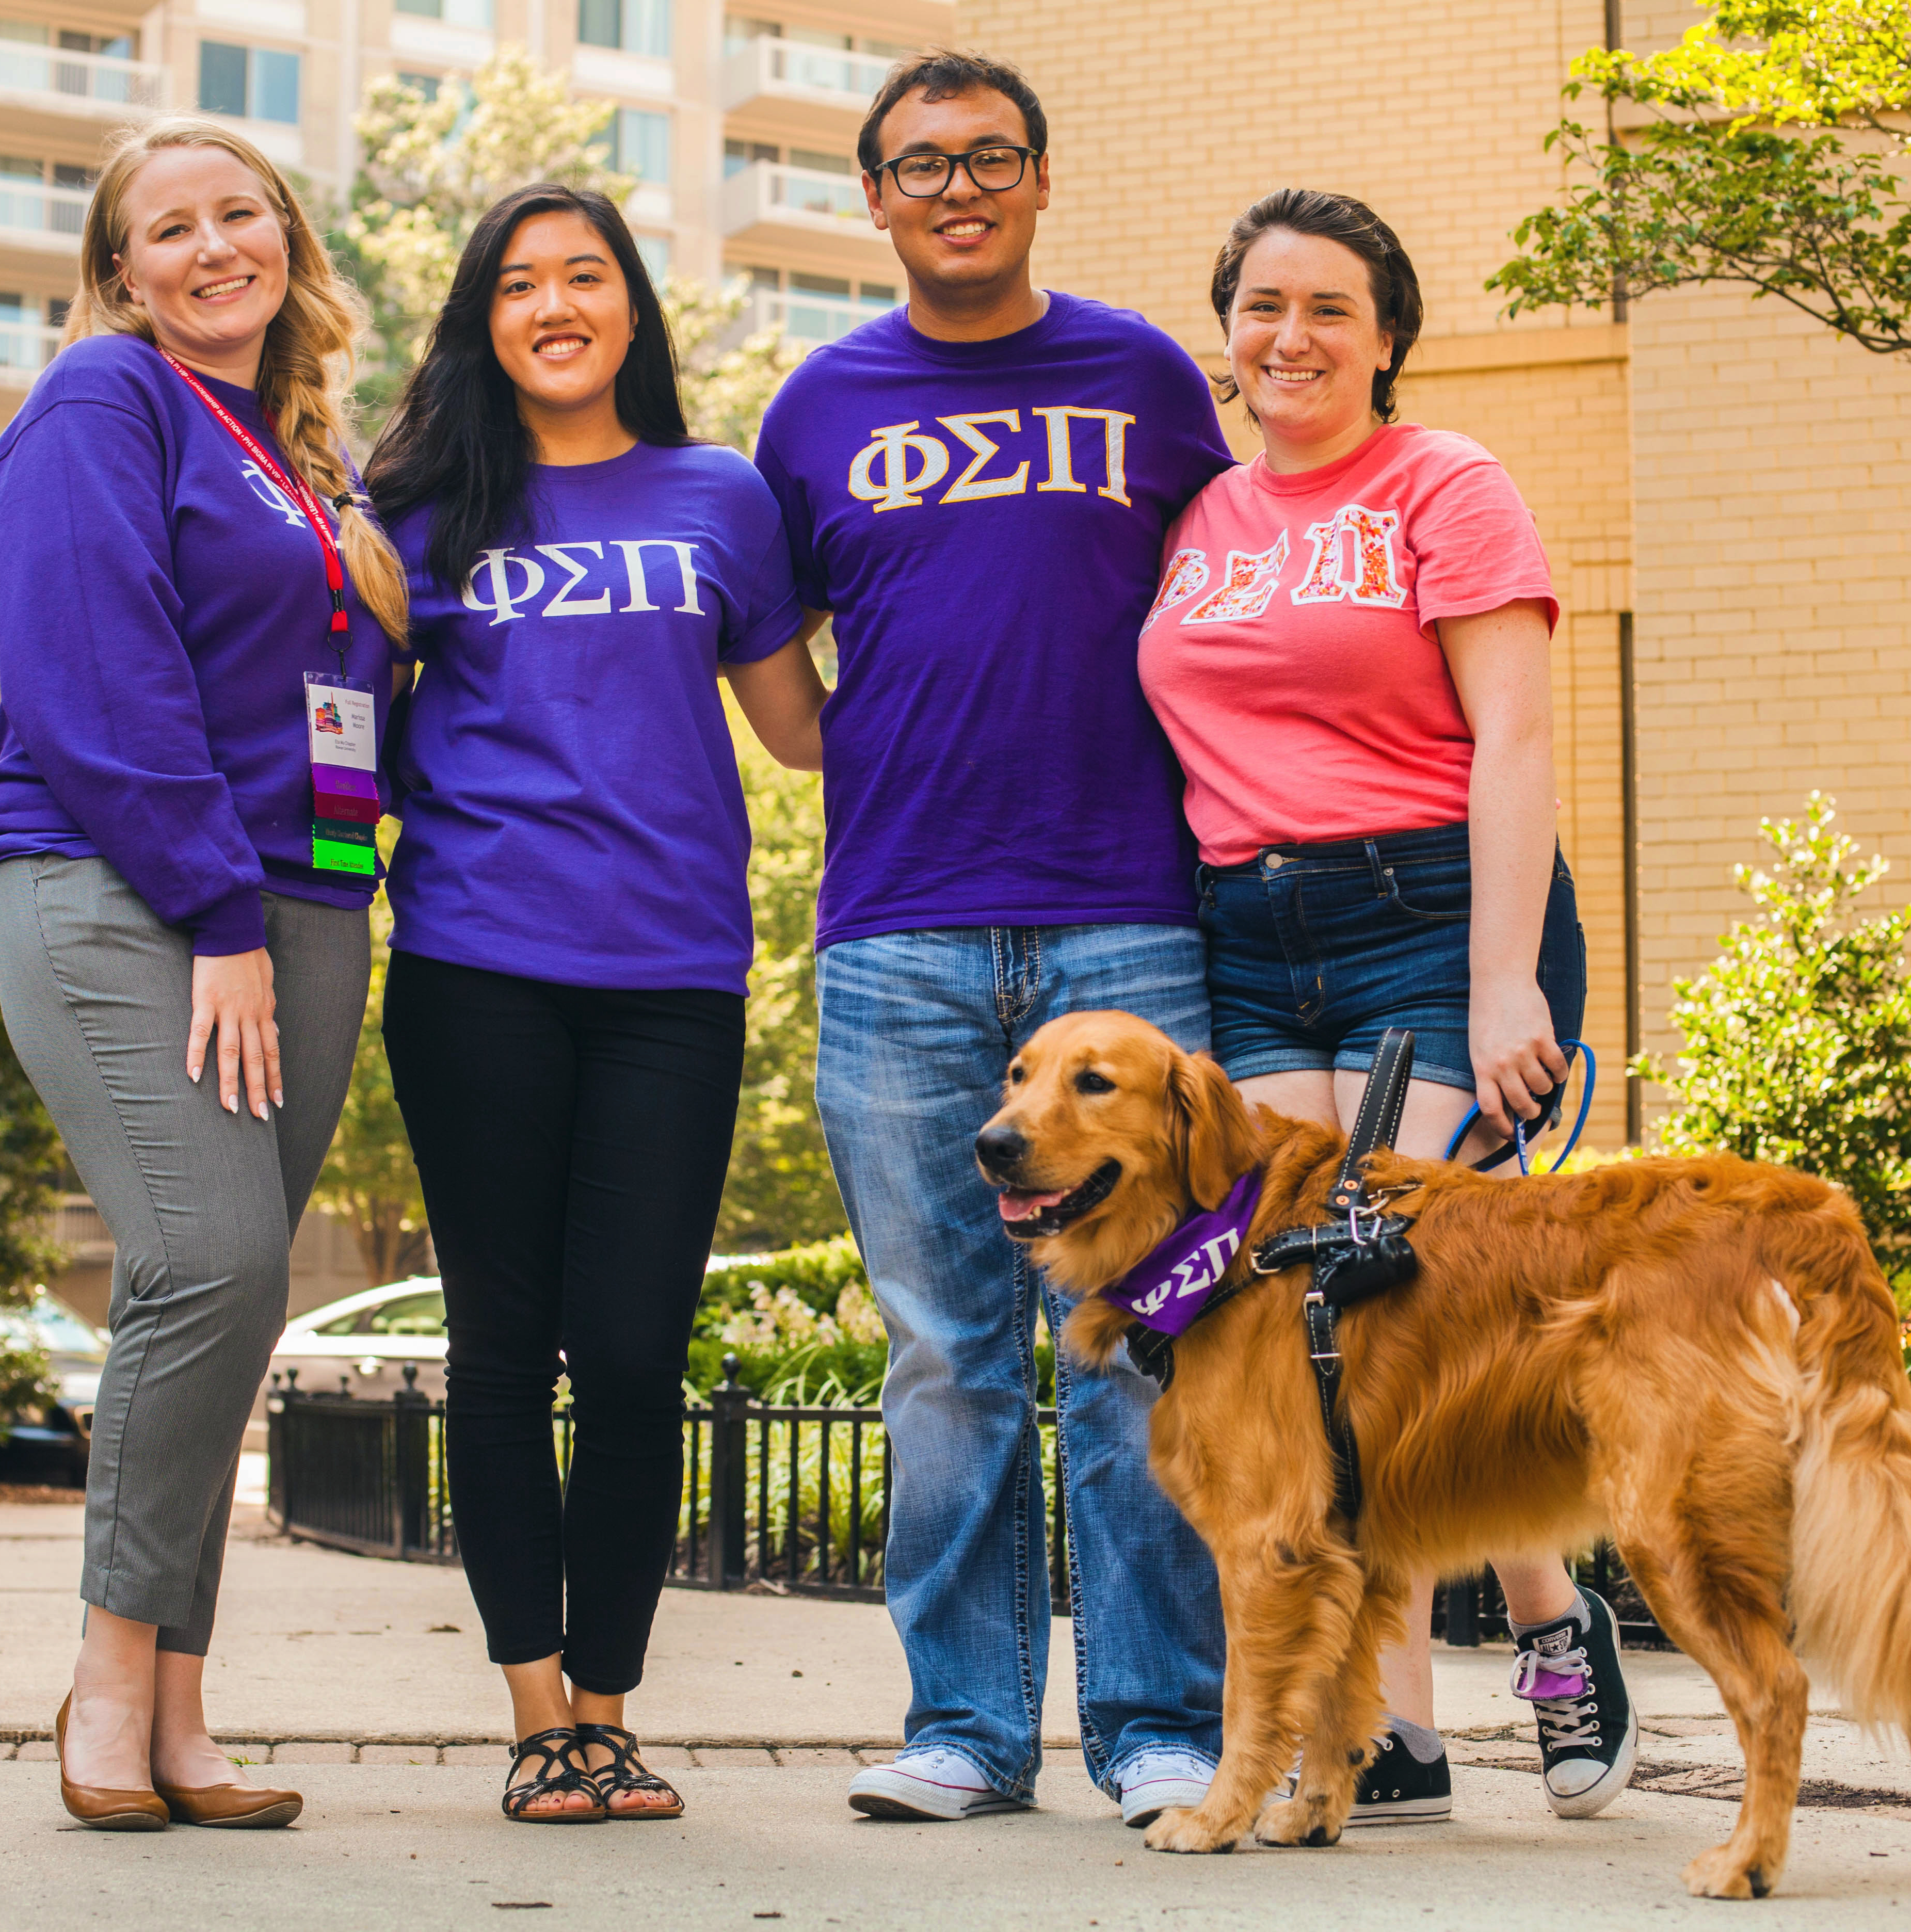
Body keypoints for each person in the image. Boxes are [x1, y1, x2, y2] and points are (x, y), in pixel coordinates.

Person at [750, 50, 1235, 1826]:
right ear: (871, 198)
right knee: (945, 1353)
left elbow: (1225, 614)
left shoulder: (1145, 378)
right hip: (899, 935)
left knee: (1144, 1336)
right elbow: (772, 664)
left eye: (988, 158)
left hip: (1132, 926)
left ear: (1040, 181)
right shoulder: (813, 409)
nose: (955, 187)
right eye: (917, 165)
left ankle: (1156, 1727)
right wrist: (863, 751)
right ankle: (962, 1730)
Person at [1135, 187, 1640, 1828]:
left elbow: (1515, 740)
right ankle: (1438, 1694)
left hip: (1428, 913)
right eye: (1262, 305)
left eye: (1329, 308)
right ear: (1227, 331)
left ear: (1388, 336)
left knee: (1390, 1303)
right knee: (1301, 1340)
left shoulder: (1446, 483)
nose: (1291, 337)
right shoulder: (1198, 520)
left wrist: (1505, 980)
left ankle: (1500, 1656)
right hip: (1250, 926)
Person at [363, 184, 825, 1825]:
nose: (553, 303)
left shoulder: (720, 496)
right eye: (516, 283)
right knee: (503, 1350)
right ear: (480, 321)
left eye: (584, 274)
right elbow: (341, 719)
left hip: (673, 979)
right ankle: (533, 1713)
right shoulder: (417, 502)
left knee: (634, 1356)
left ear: (631, 304)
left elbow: (801, 733)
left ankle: (610, 1711)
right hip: (474, 965)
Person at [0, 115, 411, 1831]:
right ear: (119, 273)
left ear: (291, 245)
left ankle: (178, 1709)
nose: (214, 247)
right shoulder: (108, 402)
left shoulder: (312, 460)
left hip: (309, 905)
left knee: (237, 1304)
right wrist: (217, 914)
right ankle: (100, 1680)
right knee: (205, 1256)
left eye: (244, 215)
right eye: (171, 229)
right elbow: (98, 672)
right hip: (133, 889)